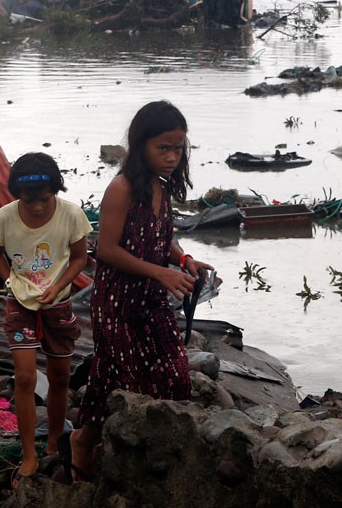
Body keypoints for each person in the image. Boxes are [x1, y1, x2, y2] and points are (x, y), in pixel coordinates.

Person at [67, 100, 212, 481]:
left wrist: (183, 262)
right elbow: (107, 250)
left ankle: (115, 446)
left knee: (175, 376)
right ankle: (87, 443)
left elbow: (162, 239)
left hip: (150, 299)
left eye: (178, 149)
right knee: (125, 380)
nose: (171, 157)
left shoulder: (161, 187)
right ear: (140, 145)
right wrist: (160, 274)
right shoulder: (122, 188)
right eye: (162, 148)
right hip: (117, 301)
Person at [0, 152, 91, 487]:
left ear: (54, 192)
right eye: (27, 200)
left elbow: (80, 257)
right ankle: (28, 452)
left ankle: (55, 437)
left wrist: (59, 285)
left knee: (60, 378)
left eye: (43, 200)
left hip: (58, 306)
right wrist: (9, 282)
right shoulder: (5, 216)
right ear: (17, 194)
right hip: (21, 307)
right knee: (25, 377)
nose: (35, 207)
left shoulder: (71, 214)